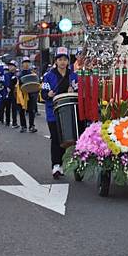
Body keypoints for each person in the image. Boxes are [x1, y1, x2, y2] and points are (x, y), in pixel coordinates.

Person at [41, 47, 78, 178]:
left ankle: (65, 164)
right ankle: (56, 165)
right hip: (53, 112)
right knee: (56, 138)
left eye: (65, 59)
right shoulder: (48, 76)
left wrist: (72, 90)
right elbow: (43, 94)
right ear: (55, 61)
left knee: (69, 138)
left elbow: (78, 91)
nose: (62, 62)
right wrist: (48, 94)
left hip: (69, 112)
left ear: (68, 61)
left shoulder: (73, 75)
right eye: (60, 59)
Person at [16, 57, 38, 133]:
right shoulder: (19, 75)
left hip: (31, 95)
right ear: (22, 64)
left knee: (32, 111)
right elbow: (17, 86)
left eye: (28, 62)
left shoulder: (33, 74)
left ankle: (32, 126)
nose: (26, 64)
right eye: (25, 62)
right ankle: (23, 126)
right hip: (21, 95)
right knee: (21, 111)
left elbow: (36, 85)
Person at [1, 61, 19, 128]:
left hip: (14, 93)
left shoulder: (16, 75)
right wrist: (7, 87)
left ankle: (14, 122)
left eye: (12, 65)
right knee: (7, 108)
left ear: (15, 67)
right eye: (9, 66)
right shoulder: (6, 75)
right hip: (7, 93)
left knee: (14, 108)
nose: (10, 67)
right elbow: (3, 83)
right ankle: (7, 121)